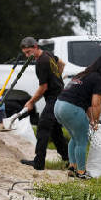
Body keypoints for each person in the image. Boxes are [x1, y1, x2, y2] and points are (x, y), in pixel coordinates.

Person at [54, 55, 101, 179]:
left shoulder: (82, 74)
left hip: (58, 106)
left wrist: (91, 120)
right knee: (82, 141)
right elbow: (95, 104)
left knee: (75, 138)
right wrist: (95, 122)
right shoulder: (98, 79)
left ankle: (72, 166)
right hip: (70, 108)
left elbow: (86, 104)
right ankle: (81, 173)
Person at [19, 37, 69, 170]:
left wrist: (30, 102)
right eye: (25, 53)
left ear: (36, 46)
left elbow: (43, 88)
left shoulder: (42, 62)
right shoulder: (48, 54)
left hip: (54, 98)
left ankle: (39, 162)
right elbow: (62, 63)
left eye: (29, 52)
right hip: (60, 95)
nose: (27, 55)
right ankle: (69, 159)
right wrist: (57, 77)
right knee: (55, 130)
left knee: (43, 126)